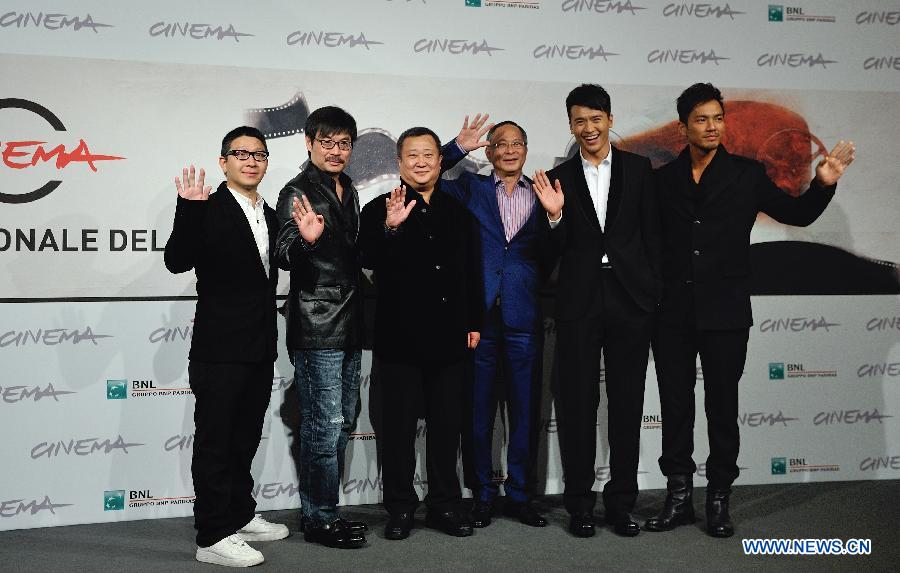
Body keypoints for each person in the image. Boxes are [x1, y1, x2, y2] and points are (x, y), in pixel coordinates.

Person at [645, 82, 855, 538]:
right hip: (672, 315)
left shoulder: (746, 174)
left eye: (718, 118)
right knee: (675, 407)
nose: (712, 126)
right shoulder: (660, 180)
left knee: (722, 407)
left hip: (726, 313)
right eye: (701, 119)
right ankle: (678, 496)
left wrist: (823, 183)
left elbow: (796, 216)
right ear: (684, 126)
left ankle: (719, 498)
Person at [532, 84, 662, 538]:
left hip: (630, 300)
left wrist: (652, 296)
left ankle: (621, 503)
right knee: (577, 407)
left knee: (627, 405)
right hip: (578, 301)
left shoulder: (640, 170)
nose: (588, 128)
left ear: (609, 119)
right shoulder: (557, 177)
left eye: (595, 119)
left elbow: (653, 239)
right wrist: (552, 217)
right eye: (578, 121)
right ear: (570, 125)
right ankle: (580, 505)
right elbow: (548, 253)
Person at [164, 126, 289, 567]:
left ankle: (238, 513)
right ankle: (213, 534)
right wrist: (189, 210)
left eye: (259, 154)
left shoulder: (268, 212)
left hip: (259, 345)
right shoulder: (209, 206)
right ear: (224, 162)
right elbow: (177, 260)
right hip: (219, 349)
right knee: (216, 443)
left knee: (244, 438)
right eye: (241, 153)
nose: (251, 160)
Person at [359, 126, 484, 541]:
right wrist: (391, 228)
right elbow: (366, 259)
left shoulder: (459, 213)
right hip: (399, 339)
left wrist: (474, 323)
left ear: (440, 160)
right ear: (399, 163)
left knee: (447, 428)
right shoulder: (379, 208)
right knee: (397, 431)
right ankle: (400, 508)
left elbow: (471, 273)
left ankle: (445, 505)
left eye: (429, 154)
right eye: (412, 156)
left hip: (449, 338)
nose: (421, 162)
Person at [441, 120, 549, 528]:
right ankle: (483, 494)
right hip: (479, 318)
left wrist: (555, 217)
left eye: (516, 143)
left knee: (524, 411)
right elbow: (425, 176)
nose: (508, 150)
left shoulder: (544, 192)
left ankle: (520, 496)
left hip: (524, 314)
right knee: (479, 411)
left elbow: (556, 247)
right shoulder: (470, 188)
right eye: (500, 144)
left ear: (525, 149)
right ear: (488, 152)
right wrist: (455, 148)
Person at [274, 106, 369, 549]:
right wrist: (306, 241)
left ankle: (324, 511)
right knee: (324, 423)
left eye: (344, 143)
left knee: (343, 421)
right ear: (309, 143)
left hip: (350, 322)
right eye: (327, 142)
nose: (336, 151)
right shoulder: (297, 190)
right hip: (316, 325)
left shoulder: (348, 189)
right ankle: (319, 518)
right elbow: (283, 252)